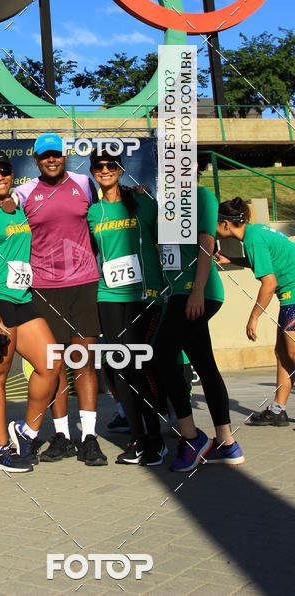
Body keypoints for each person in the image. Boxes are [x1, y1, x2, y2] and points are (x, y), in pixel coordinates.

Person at [0, 149, 62, 472]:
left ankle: (28, 431)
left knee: (51, 363)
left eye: (4, 171)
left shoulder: (20, 206)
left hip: (21, 298)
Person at [13, 133, 106, 467]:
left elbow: (108, 205)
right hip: (44, 287)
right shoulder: (23, 193)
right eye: (44, 156)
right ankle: (62, 436)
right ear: (36, 160)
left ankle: (90, 437)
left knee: (82, 362)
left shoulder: (84, 182)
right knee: (55, 366)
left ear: (65, 156)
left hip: (84, 283)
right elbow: (1, 215)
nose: (51, 160)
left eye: (56, 154)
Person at [155, 181, 244, 471]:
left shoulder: (202, 196)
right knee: (205, 365)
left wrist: (197, 290)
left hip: (197, 293)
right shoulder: (167, 203)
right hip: (180, 293)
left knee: (161, 357)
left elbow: (206, 243)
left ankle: (191, 438)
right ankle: (227, 443)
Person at [87, 152, 166, 466]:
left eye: (111, 165)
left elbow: (168, 244)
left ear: (120, 169)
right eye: (99, 166)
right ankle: (136, 438)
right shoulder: (92, 213)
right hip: (108, 296)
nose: (105, 170)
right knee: (119, 367)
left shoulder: (145, 202)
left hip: (143, 297)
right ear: (93, 172)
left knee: (141, 367)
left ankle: (155, 439)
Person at [217, 196, 295, 429]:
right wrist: (231, 259)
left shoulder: (252, 240)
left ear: (225, 224)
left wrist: (254, 317)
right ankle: (278, 410)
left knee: (292, 352)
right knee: (282, 353)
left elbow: (269, 283)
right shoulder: (254, 233)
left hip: (293, 293)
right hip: (290, 294)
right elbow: (263, 262)